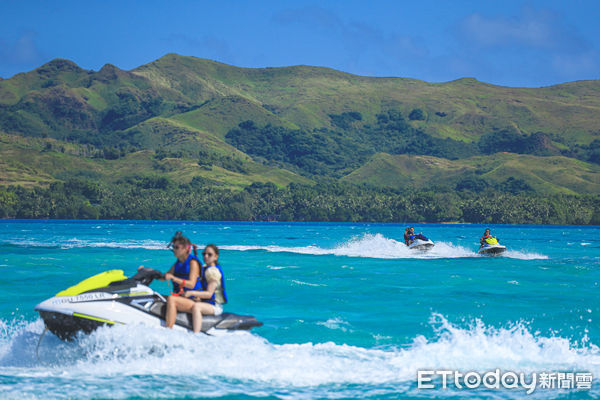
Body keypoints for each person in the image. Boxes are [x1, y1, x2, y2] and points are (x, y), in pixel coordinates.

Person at [163, 232, 204, 332]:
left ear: (185, 249)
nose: (174, 250)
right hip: (182, 297)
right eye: (173, 247)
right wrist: (148, 272)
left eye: (177, 247)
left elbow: (191, 284)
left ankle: (168, 330)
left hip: (194, 300)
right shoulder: (178, 263)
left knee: (171, 300)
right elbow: (166, 276)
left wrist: (174, 278)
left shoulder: (192, 263)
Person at [181, 244, 228, 333]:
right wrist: (193, 251)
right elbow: (197, 266)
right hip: (206, 302)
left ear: (216, 256)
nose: (206, 256)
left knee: (196, 307)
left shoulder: (213, 272)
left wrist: (192, 293)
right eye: (204, 254)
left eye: (209, 254)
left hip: (214, 306)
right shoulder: (206, 268)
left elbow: (209, 293)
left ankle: (196, 334)